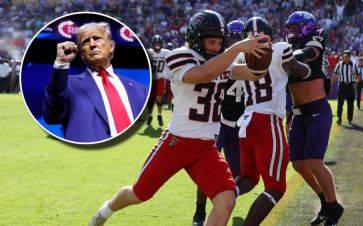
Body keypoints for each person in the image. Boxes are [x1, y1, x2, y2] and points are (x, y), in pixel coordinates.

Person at [89, 10, 271, 226]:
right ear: (196, 39)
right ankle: (105, 212)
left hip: (205, 147)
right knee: (139, 193)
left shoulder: (222, 61)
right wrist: (238, 47)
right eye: (211, 42)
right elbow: (203, 74)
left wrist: (263, 52)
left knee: (226, 199)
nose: (216, 47)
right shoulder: (178, 55)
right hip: (176, 142)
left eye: (219, 42)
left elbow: (254, 74)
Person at [234, 17, 310, 226]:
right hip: (268, 121)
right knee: (276, 188)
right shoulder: (280, 48)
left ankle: (223, 196)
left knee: (248, 178)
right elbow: (301, 71)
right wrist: (306, 61)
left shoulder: (241, 56)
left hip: (246, 122)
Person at [42, 23, 148, 143]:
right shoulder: (68, 84)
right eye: (86, 42)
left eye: (97, 39)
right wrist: (61, 62)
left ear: (111, 46)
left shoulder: (140, 90)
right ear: (81, 54)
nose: (92, 44)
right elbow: (52, 116)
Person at [285, 11, 344, 226]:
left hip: (317, 109)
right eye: (289, 28)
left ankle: (334, 206)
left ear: (306, 26)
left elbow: (308, 53)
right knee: (298, 164)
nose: (291, 32)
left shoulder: (315, 39)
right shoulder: (288, 47)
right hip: (299, 113)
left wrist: (291, 57)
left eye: (295, 27)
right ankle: (324, 201)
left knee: (314, 161)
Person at [192, 19, 246, 226]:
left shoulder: (238, 58)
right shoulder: (224, 59)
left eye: (235, 36)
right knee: (208, 169)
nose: (232, 40)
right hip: (218, 121)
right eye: (230, 36)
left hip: (237, 121)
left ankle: (219, 204)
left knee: (237, 172)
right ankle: (199, 212)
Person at [147, 35, 171, 126]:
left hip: (161, 78)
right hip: (151, 79)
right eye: (155, 43)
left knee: (159, 97)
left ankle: (159, 115)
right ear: (152, 44)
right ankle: (149, 115)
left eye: (158, 43)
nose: (157, 45)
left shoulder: (166, 52)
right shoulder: (149, 52)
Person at [333, 50, 357, 125]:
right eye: (345, 56)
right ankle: (339, 117)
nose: (346, 58)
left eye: (348, 56)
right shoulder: (339, 65)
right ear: (343, 56)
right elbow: (335, 75)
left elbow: (356, 75)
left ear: (350, 57)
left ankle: (350, 119)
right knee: (340, 103)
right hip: (342, 85)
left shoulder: (353, 65)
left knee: (350, 103)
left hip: (350, 85)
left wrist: (356, 82)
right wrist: (331, 84)